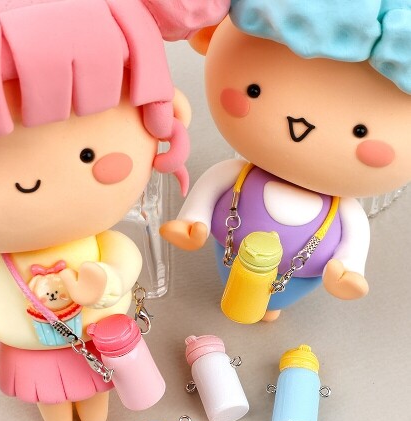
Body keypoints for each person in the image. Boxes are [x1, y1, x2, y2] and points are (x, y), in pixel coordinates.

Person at [0, 0, 230, 421]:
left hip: (99, 344)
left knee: (97, 412)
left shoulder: (100, 240)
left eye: (87, 154)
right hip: (31, 355)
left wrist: (105, 283)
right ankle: (60, 415)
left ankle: (92, 409)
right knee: (57, 417)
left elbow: (124, 260)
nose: (29, 183)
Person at [161, 1, 411, 322]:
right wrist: (192, 220)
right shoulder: (235, 175)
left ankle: (271, 306)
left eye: (359, 131)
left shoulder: (345, 210)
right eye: (254, 90)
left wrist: (348, 268)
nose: (300, 125)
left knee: (267, 305)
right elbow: (211, 184)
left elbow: (355, 237)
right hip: (231, 252)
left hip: (298, 276)